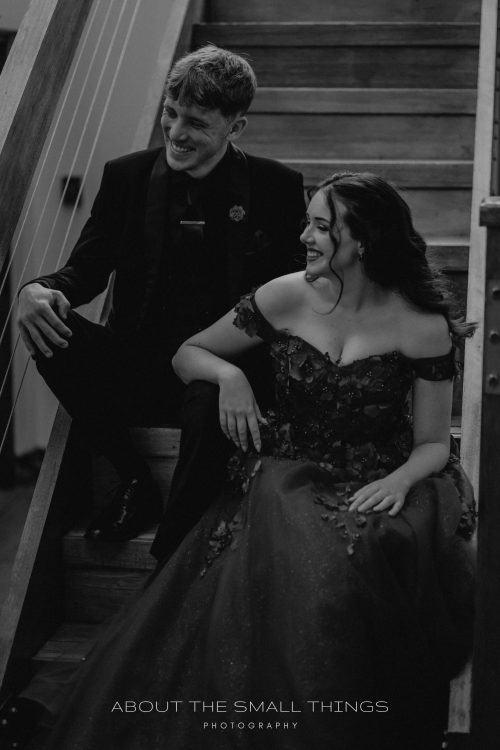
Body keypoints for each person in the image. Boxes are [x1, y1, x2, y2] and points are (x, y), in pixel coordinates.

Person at [40, 172, 475, 750]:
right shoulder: (285, 295)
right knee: (305, 558)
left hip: (380, 475)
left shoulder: (423, 325)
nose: (305, 237)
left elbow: (433, 443)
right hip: (286, 473)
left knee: (367, 555)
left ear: (363, 240)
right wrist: (229, 376)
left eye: (321, 227)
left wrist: (399, 480)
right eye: (308, 223)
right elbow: (188, 353)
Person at [15, 44, 305, 549]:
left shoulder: (277, 186)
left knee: (207, 398)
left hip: (223, 368)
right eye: (170, 113)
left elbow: (292, 293)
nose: (175, 132)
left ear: (235, 127)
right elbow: (85, 271)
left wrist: (238, 369)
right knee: (49, 334)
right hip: (137, 362)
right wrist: (37, 290)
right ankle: (134, 479)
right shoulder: (125, 176)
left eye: (196, 122)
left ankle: (174, 552)